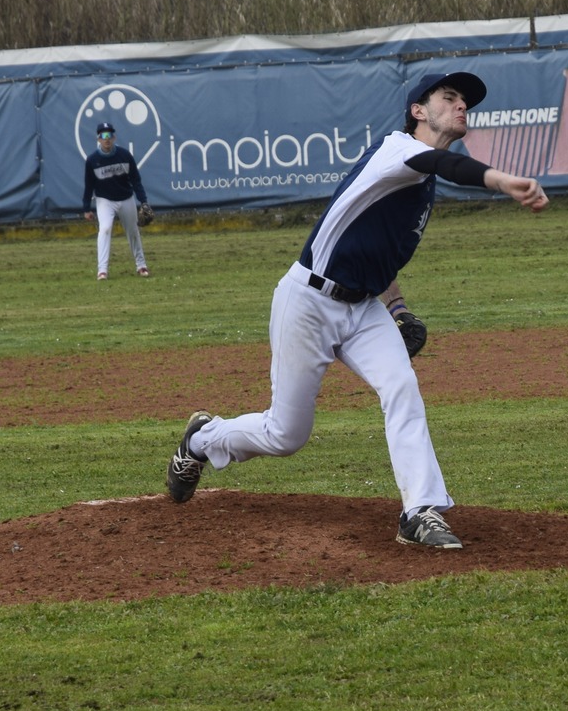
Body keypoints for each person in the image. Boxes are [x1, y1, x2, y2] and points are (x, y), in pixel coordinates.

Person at [165, 71, 548, 549]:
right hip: (308, 301)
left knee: (402, 387)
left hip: (364, 309)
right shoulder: (399, 151)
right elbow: (447, 164)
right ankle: (202, 439)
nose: (460, 106)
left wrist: (398, 308)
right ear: (418, 111)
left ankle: (419, 511)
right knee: (286, 434)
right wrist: (502, 181)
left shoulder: (419, 180)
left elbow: (376, 251)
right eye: (448, 97)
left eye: (464, 101)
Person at [81, 122, 149, 279]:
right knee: (105, 229)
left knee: (133, 231)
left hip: (126, 197)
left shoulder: (125, 155)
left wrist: (143, 201)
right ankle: (102, 270)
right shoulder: (92, 160)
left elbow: (136, 180)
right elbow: (89, 185)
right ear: (98, 139)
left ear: (114, 138)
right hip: (105, 200)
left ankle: (141, 265)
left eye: (109, 135)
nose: (107, 139)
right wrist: (86, 208)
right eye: (103, 136)